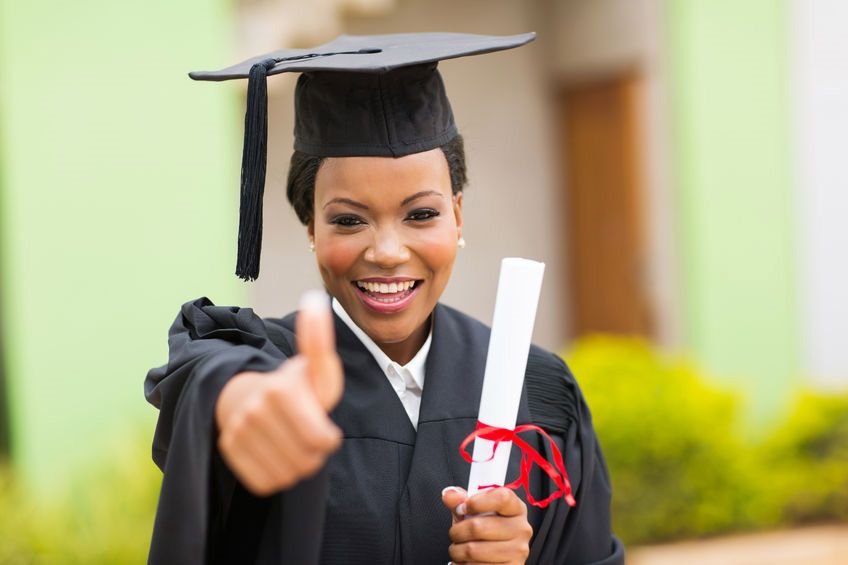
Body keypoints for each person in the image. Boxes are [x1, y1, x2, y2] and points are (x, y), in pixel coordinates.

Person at [145, 32, 625, 564]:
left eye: (421, 214)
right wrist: (236, 400)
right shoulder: (266, 365)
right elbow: (208, 374)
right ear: (310, 226)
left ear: (458, 215)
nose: (389, 252)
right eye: (348, 220)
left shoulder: (536, 391)